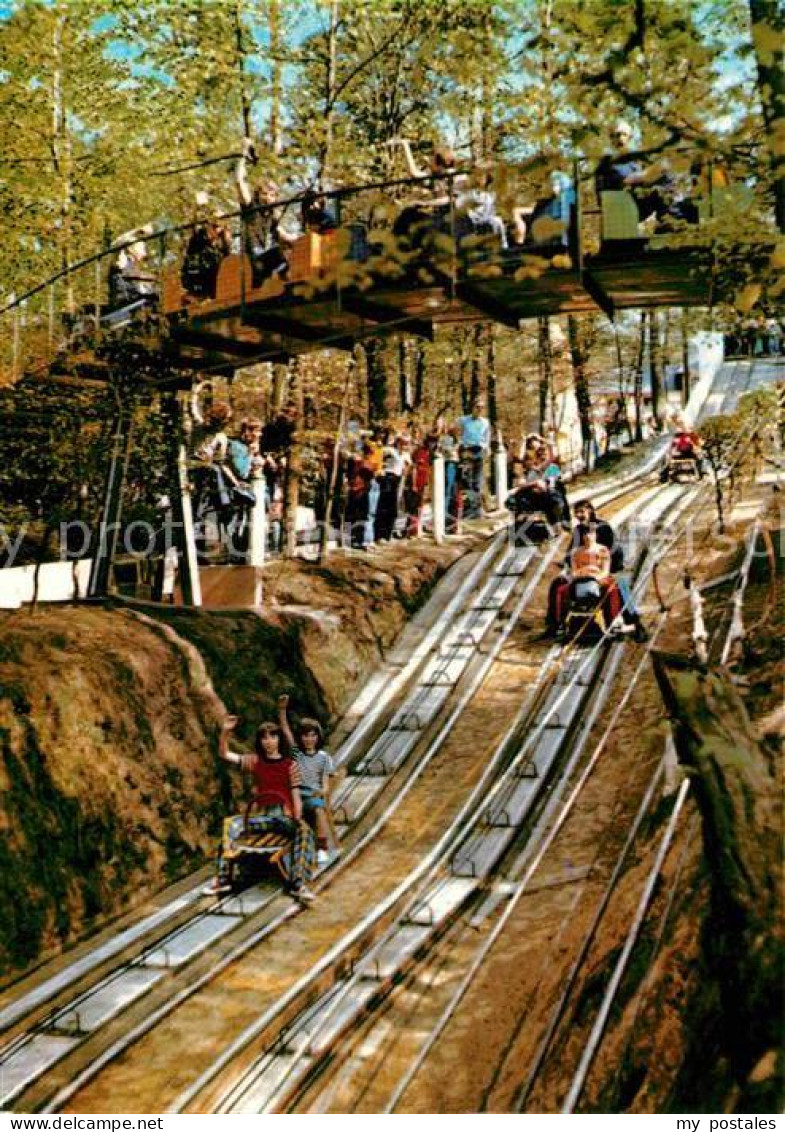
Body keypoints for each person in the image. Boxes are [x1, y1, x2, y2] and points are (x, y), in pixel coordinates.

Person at [204, 715, 316, 904]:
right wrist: (225, 732)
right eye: (265, 738)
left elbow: (295, 794)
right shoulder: (256, 761)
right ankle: (223, 878)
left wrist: (297, 817)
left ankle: (298, 882)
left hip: (284, 817)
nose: (269, 741)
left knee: (305, 832)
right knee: (231, 824)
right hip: (264, 816)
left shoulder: (290, 766)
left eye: (273, 737)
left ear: (279, 739)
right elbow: (225, 754)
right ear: (260, 741)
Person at [544, 499, 647, 641]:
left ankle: (633, 621)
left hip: (603, 568)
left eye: (582, 511)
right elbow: (571, 551)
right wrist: (571, 564)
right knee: (557, 583)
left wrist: (602, 567)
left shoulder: (603, 527)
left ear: (590, 511)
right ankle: (554, 624)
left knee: (621, 585)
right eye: (576, 512)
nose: (579, 515)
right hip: (581, 569)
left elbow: (613, 550)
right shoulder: (578, 530)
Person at [595, 120, 692, 229]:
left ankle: (670, 218)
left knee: (668, 179)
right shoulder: (608, 162)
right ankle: (669, 220)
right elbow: (627, 180)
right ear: (611, 139)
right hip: (621, 203)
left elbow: (647, 176)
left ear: (629, 138)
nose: (620, 139)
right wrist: (653, 172)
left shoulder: (633, 160)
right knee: (659, 190)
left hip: (636, 200)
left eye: (624, 135)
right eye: (616, 135)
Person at [279, 695, 337, 866]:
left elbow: (325, 784)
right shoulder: (297, 754)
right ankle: (288, 850)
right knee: (283, 813)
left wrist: (321, 792)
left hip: (312, 795)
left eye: (312, 736)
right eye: (305, 736)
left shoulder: (323, 757)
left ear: (317, 737)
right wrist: (282, 710)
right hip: (296, 795)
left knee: (318, 809)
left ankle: (322, 848)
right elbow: (286, 731)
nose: (309, 739)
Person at [235, 137, 297, 286]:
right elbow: (238, 181)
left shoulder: (271, 217)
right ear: (258, 195)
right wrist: (243, 153)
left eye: (272, 195)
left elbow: (285, 236)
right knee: (278, 253)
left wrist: (303, 240)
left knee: (286, 252)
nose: (268, 198)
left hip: (264, 261)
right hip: (252, 261)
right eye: (264, 194)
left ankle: (286, 282)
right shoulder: (251, 207)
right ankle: (284, 282)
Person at [512, 171, 575, 250]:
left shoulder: (567, 205)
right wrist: (520, 226)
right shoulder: (544, 203)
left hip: (554, 245)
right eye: (552, 184)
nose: (553, 187)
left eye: (556, 184)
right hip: (536, 243)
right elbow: (521, 211)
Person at [109, 223, 158, 308]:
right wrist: (136, 232)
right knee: (124, 300)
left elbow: (141, 256)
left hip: (129, 275)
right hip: (120, 273)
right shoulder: (128, 239)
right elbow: (115, 244)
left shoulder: (140, 242)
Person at [457, 399, 490, 518]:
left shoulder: (485, 422)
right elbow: (458, 433)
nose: (479, 410)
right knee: (467, 480)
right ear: (473, 407)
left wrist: (486, 448)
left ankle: (477, 509)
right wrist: (462, 447)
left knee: (478, 481)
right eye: (477, 407)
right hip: (467, 450)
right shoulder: (463, 420)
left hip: (479, 451)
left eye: (482, 407)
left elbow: (486, 437)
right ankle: (469, 507)